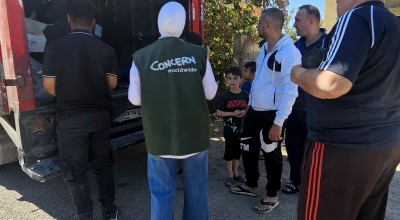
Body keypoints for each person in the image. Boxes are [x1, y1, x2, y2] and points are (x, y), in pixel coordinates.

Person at [291, 0, 400, 219]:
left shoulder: (357, 17)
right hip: (386, 144)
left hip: (340, 148)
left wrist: (297, 73)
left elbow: (331, 83)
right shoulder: (393, 24)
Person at [128, 2, 218, 220]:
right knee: (197, 193)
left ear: (159, 24)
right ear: (183, 25)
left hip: (159, 137)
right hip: (195, 137)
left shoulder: (141, 56)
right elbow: (211, 94)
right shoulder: (199, 53)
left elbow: (134, 99)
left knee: (161, 195)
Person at [42, 0, 118, 219]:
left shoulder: (55, 46)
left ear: (68, 19)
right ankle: (110, 211)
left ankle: (84, 214)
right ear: (93, 22)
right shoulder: (106, 49)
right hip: (100, 116)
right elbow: (111, 84)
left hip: (70, 118)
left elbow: (48, 86)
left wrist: (70, 92)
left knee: (76, 171)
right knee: (103, 164)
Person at [229, 8, 301, 214]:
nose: (257, 25)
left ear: (268, 25)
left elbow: (291, 90)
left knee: (271, 154)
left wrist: (279, 122)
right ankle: (252, 185)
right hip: (255, 112)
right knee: (247, 149)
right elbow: (259, 80)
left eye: (260, 22)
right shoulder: (264, 49)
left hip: (272, 115)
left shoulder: (290, 52)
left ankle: (272, 194)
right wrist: (250, 103)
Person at [282, 4, 327, 195]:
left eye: (297, 20)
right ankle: (296, 181)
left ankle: (314, 185)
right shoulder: (294, 46)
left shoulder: (329, 44)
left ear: (311, 21)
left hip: (319, 110)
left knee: (316, 151)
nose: (294, 25)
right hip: (294, 108)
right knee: (293, 147)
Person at [216, 66, 248, 187]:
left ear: (241, 79)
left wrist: (245, 112)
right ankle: (230, 175)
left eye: (235, 78)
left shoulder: (246, 95)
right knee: (230, 152)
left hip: (242, 129)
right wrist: (232, 113)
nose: (232, 81)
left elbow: (249, 108)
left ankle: (236, 173)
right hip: (229, 130)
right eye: (229, 78)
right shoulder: (225, 95)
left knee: (237, 152)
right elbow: (218, 112)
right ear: (226, 80)